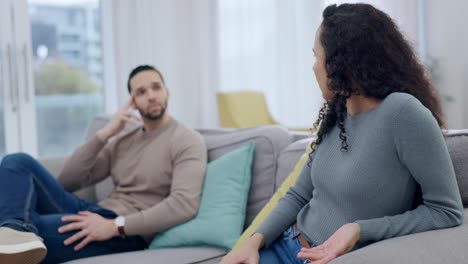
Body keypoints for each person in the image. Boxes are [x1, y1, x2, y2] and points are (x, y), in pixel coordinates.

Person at [221, 3, 463, 264]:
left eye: (317, 56)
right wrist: (253, 242)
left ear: (341, 61)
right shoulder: (337, 113)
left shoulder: (403, 113)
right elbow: (298, 195)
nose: (314, 67)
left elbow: (445, 211)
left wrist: (360, 229)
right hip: (284, 244)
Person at [0, 65, 207, 264]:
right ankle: (14, 229)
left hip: (127, 232)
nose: (151, 95)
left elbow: (184, 205)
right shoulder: (124, 141)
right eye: (141, 92)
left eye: (156, 87)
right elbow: (68, 181)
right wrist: (104, 134)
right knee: (16, 162)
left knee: (30, 233)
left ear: (167, 92)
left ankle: (15, 234)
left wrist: (116, 226)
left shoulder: (186, 139)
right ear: (133, 102)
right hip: (96, 212)